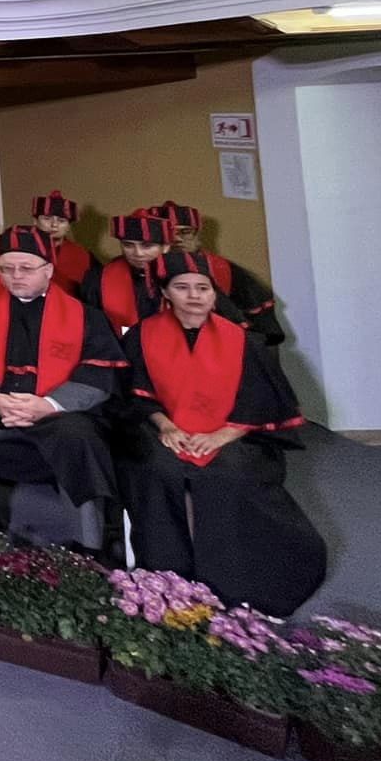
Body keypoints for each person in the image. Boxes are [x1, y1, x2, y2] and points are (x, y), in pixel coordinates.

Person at [118, 250, 325, 615]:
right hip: (164, 428)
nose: (194, 295)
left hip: (235, 433)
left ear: (216, 294)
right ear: (166, 293)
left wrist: (223, 435)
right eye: (182, 287)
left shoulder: (245, 341)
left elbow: (263, 401)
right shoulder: (141, 336)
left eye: (203, 288)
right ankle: (167, 577)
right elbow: (134, 393)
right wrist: (165, 425)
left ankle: (234, 585)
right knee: (156, 468)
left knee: (226, 474)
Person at [0, 227, 126, 548]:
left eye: (26, 268)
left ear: (48, 269)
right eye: (7, 268)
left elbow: (99, 372)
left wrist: (47, 405)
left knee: (79, 435)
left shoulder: (84, 314)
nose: (16, 276)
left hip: (56, 410)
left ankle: (85, 540)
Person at [144, 201, 283, 343]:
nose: (177, 239)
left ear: (196, 234)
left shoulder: (223, 269)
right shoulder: (139, 270)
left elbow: (263, 332)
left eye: (185, 232)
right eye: (169, 233)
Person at [85, 212, 171, 334]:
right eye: (128, 245)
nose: (138, 253)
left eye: (147, 246)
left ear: (166, 247)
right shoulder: (97, 279)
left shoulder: (181, 280)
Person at [32, 192, 95, 294]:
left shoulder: (82, 255)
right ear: (35, 221)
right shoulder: (18, 251)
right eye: (47, 218)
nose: (54, 225)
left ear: (69, 226)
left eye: (61, 221)